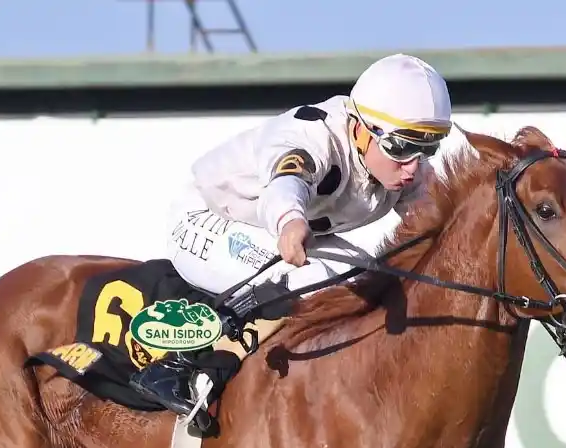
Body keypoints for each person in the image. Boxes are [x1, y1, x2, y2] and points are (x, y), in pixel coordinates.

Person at [130, 53, 456, 419]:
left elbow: (437, 226)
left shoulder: (403, 167)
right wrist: (289, 219)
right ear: (361, 129)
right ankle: (178, 366)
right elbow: (287, 180)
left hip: (264, 227)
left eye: (426, 148)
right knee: (316, 277)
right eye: (400, 147)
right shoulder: (312, 135)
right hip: (206, 217)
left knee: (366, 275)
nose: (412, 167)